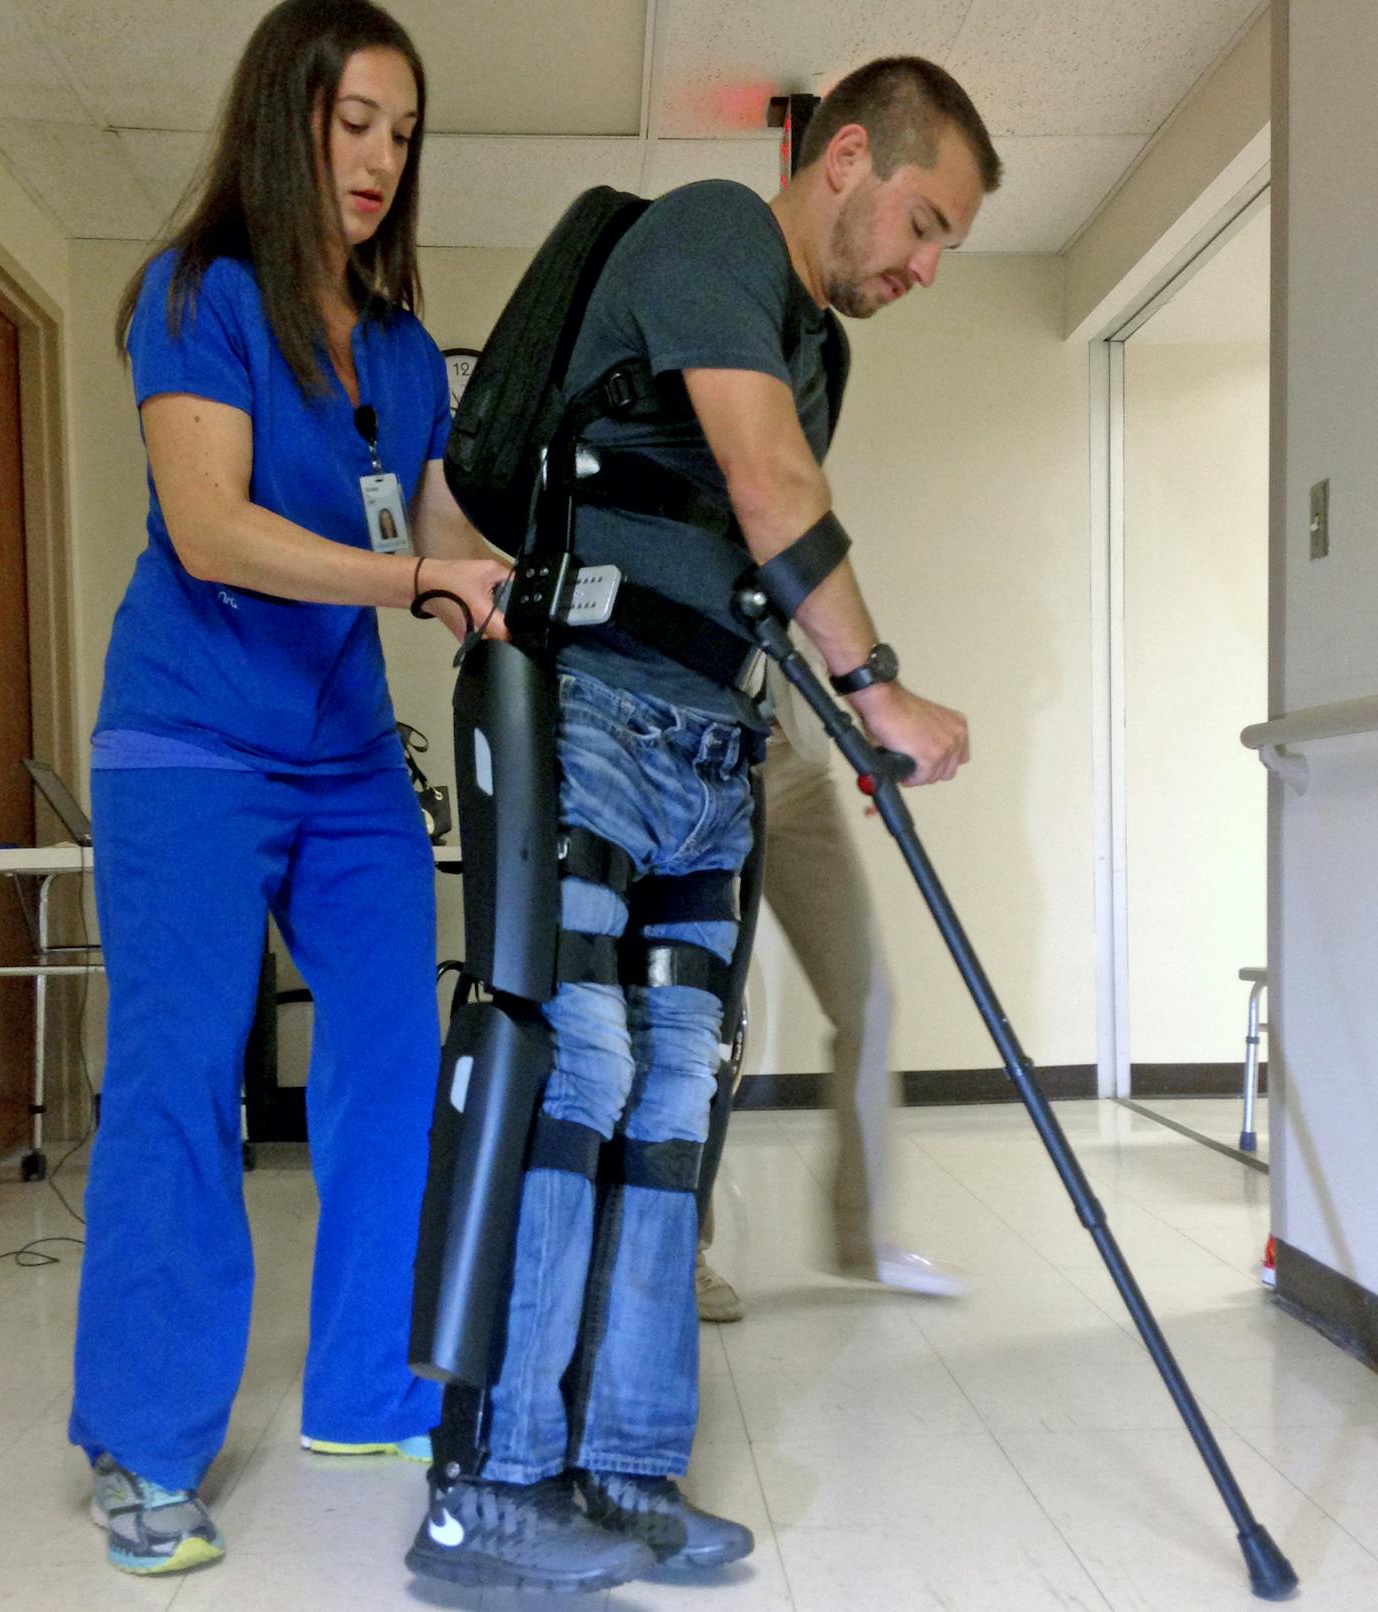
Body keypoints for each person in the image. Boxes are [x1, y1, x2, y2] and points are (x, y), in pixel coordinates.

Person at [405, 55, 1000, 1594]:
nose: (925, 267)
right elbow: (762, 477)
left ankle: (626, 1465)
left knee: (681, 1094)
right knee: (576, 1068)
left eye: (946, 249)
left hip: (709, 744)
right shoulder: (718, 231)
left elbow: (743, 541)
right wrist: (881, 690)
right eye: (924, 223)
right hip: (588, 709)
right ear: (851, 154)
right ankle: (490, 1491)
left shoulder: (818, 344)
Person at [67, 0, 507, 1577]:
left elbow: (437, 514)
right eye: (354, 123)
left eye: (403, 130)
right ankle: (149, 1441)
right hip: (189, 739)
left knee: (397, 1054)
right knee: (182, 1070)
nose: (382, 158)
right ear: (288, 120)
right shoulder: (200, 298)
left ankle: (370, 1386)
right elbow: (211, 528)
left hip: (339, 757)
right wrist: (412, 581)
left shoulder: (392, 344)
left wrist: (487, 575)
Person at [695, 643, 966, 1325]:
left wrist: (878, 712)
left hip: (792, 762)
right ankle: (679, 1248)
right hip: (691, 753)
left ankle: (864, 1237)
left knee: (866, 999)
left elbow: (808, 600)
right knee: (697, 1018)